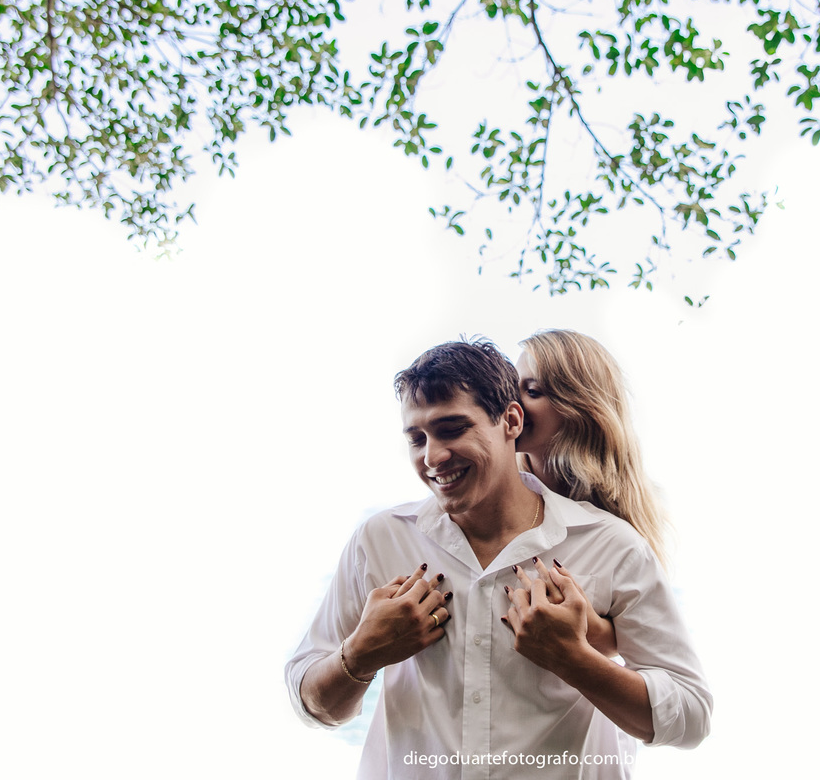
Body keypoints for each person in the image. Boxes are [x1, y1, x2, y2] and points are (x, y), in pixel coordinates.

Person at [285, 338, 710, 779]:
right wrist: (361, 654)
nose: (432, 457)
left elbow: (691, 716)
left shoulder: (611, 544)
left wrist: (573, 658)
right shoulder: (380, 541)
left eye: (452, 429)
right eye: (417, 438)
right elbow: (310, 704)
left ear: (511, 420)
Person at [511, 328, 670, 655]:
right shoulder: (497, 495)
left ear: (577, 404)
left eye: (532, 390)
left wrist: (589, 626)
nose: (514, 403)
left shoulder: (622, 531)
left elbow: (645, 642)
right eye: (513, 389)